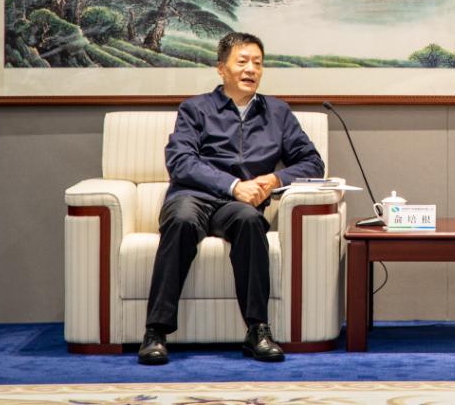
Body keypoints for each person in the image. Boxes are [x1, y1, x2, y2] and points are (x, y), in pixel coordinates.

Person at [138, 32, 325, 365]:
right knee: (181, 221)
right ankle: (156, 332)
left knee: (251, 222)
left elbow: (312, 162)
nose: (251, 69)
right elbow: (180, 161)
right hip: (193, 196)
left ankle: (257, 330)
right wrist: (233, 184)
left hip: (239, 207)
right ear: (221, 68)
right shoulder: (195, 108)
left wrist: (275, 179)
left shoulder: (278, 112)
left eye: (258, 63)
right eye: (242, 61)